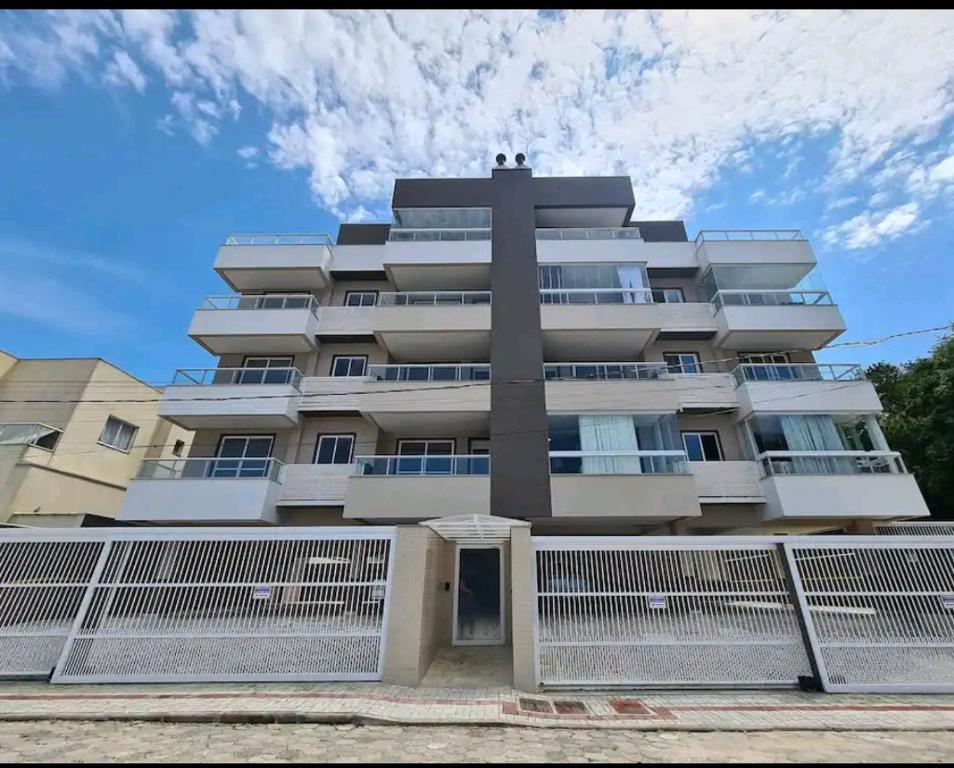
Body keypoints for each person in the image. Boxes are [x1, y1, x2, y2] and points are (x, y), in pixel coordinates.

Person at [458, 574, 477, 640]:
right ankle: (461, 633)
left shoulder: (468, 592)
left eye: (462, 584)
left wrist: (466, 591)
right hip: (463, 608)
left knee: (471, 618)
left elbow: (471, 599)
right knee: (463, 620)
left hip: (468, 608)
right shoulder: (459, 592)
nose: (461, 585)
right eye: (460, 584)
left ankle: (471, 633)